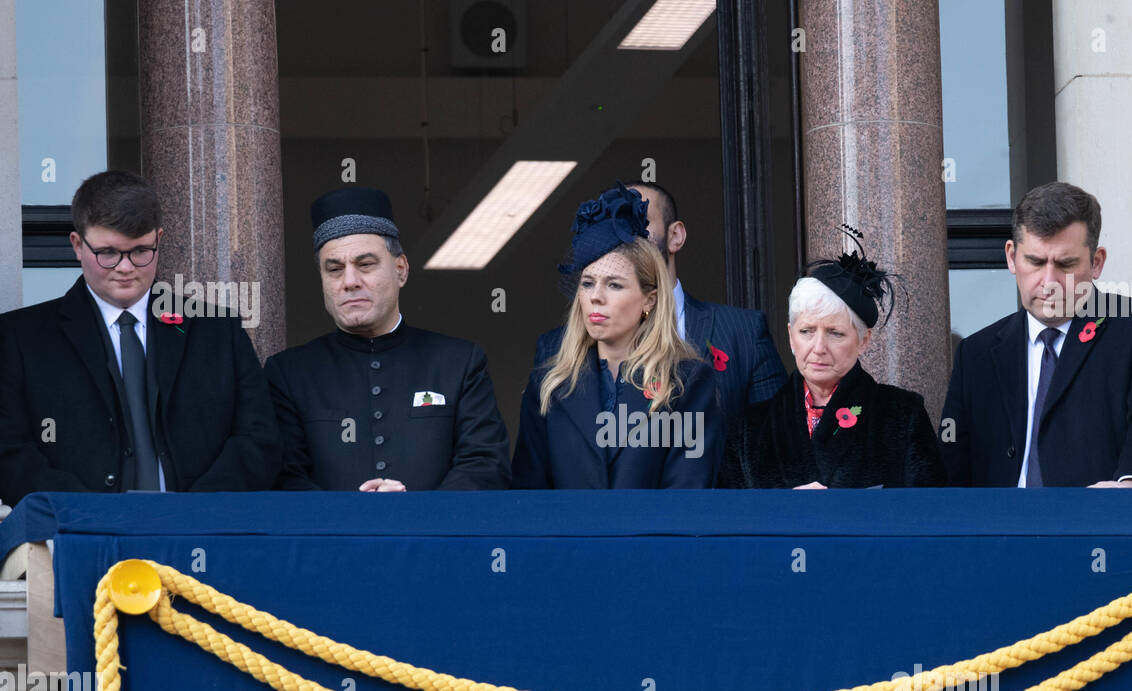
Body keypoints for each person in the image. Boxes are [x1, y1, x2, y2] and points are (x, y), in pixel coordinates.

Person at [0, 170, 280, 506]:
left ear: (159, 239)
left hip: (203, 531)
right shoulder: (19, 339)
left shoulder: (218, 330)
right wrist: (92, 514)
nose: (125, 267)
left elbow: (259, 440)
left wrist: (193, 512)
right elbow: (10, 454)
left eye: (140, 251)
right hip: (78, 535)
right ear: (77, 244)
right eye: (108, 253)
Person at [940, 181, 1132, 487]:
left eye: (1065, 264)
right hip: (998, 528)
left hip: (1096, 523)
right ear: (1010, 257)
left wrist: (1131, 486)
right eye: (1035, 261)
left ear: (1096, 263)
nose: (1049, 281)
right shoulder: (976, 352)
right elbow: (952, 464)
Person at [266, 186, 511, 491]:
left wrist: (416, 513)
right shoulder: (289, 374)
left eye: (365, 264)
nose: (350, 282)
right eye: (334, 269)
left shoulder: (459, 363)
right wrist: (349, 516)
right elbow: (282, 475)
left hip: (434, 537)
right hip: (331, 538)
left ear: (401, 270)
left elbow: (486, 464)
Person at [512, 183, 722, 488]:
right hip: (568, 537)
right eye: (587, 283)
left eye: (614, 285)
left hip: (652, 536)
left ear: (649, 299)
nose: (596, 297)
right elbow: (528, 496)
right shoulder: (550, 383)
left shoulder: (689, 382)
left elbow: (686, 497)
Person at [530, 179, 785, 427]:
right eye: (610, 225)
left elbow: (778, 448)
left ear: (675, 235)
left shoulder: (744, 333)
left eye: (637, 220)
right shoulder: (556, 349)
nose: (621, 234)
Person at [717, 231, 945, 489]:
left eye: (835, 333)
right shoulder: (749, 428)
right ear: (791, 336)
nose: (818, 348)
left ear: (863, 340)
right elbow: (731, 520)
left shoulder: (903, 414)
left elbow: (926, 515)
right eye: (806, 331)